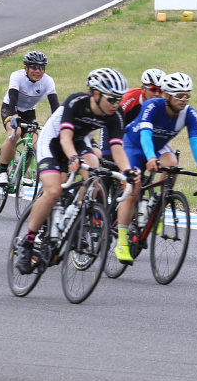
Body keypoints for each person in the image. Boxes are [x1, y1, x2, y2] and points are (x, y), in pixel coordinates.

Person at [15, 68, 129, 274]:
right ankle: (28, 242)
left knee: (95, 168)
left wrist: (129, 171)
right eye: (112, 99)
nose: (116, 104)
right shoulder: (77, 102)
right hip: (53, 141)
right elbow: (65, 137)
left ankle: (78, 216)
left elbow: (117, 148)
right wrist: (72, 157)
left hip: (78, 141)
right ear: (95, 94)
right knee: (53, 191)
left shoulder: (115, 113)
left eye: (119, 99)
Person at [114, 72, 197, 262]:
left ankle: (157, 202)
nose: (184, 100)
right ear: (166, 95)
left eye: (187, 95)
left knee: (173, 166)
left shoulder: (189, 113)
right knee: (133, 189)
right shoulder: (152, 106)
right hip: (133, 145)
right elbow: (144, 135)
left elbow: (195, 141)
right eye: (179, 95)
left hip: (159, 147)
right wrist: (150, 157)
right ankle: (122, 242)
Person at [0, 50, 59, 186]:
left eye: (41, 68)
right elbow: (13, 98)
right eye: (34, 67)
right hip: (10, 108)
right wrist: (15, 116)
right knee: (15, 133)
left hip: (29, 113)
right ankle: (3, 171)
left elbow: (55, 105)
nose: (38, 71)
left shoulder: (48, 81)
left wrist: (58, 124)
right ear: (26, 68)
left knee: (33, 143)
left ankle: (19, 175)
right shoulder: (17, 76)